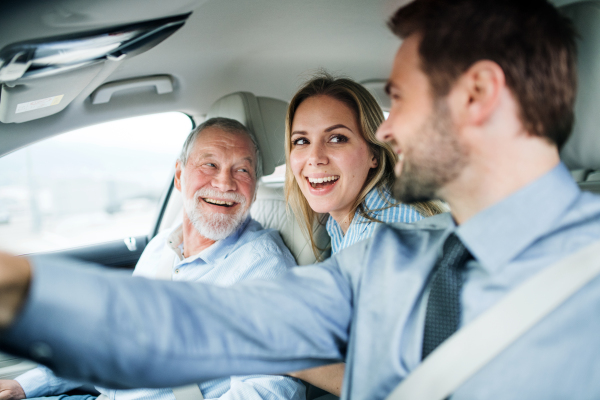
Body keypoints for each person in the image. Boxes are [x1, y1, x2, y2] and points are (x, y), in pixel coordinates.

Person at [1, 1, 599, 399]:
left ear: (477, 94)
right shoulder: (385, 262)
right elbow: (202, 322)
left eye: (400, 99)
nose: (387, 131)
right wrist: (21, 290)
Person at [0, 117, 306, 400]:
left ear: (253, 188)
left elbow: (269, 388)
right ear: (179, 175)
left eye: (242, 169)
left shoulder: (263, 270)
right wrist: (27, 385)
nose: (225, 183)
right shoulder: (162, 247)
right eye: (210, 164)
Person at [283, 74, 445, 396]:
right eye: (301, 141)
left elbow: (396, 387)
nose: (315, 157)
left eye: (337, 138)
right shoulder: (344, 221)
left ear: (374, 152)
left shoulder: (385, 234)